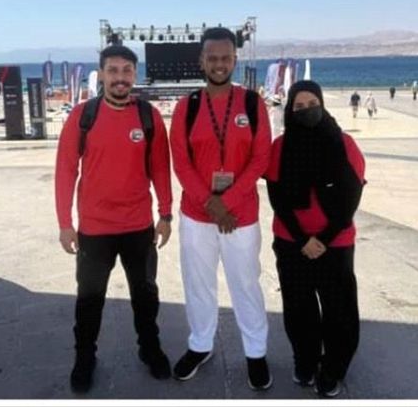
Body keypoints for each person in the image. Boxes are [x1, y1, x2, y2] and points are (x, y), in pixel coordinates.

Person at [55, 45, 174, 393]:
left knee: (145, 296)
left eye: (126, 71)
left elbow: (160, 168)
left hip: (139, 226)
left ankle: (150, 349)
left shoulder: (149, 117)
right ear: (102, 74)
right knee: (89, 299)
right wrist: (65, 223)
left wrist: (166, 213)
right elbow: (65, 170)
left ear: (134, 75)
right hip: (95, 230)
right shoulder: (83, 116)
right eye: (113, 70)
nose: (120, 77)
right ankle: (84, 357)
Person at [169, 27, 273, 390]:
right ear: (201, 60)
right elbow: (181, 163)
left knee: (245, 284)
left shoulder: (252, 104)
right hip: (197, 216)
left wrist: (225, 203)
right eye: (212, 57)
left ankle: (256, 352)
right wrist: (211, 204)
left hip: (240, 216)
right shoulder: (187, 107)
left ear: (234, 59)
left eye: (225, 57)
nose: (219, 64)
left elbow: (260, 159)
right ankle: (200, 344)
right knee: (198, 284)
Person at [264, 80, 365, 398]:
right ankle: (305, 361)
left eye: (312, 105)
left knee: (338, 310)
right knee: (299, 308)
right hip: (292, 242)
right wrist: (302, 239)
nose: (306, 111)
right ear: (290, 110)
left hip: (335, 243)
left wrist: (323, 238)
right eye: (299, 106)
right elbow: (277, 199)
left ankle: (332, 368)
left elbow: (351, 195)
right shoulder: (280, 147)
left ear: (322, 105)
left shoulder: (344, 143)